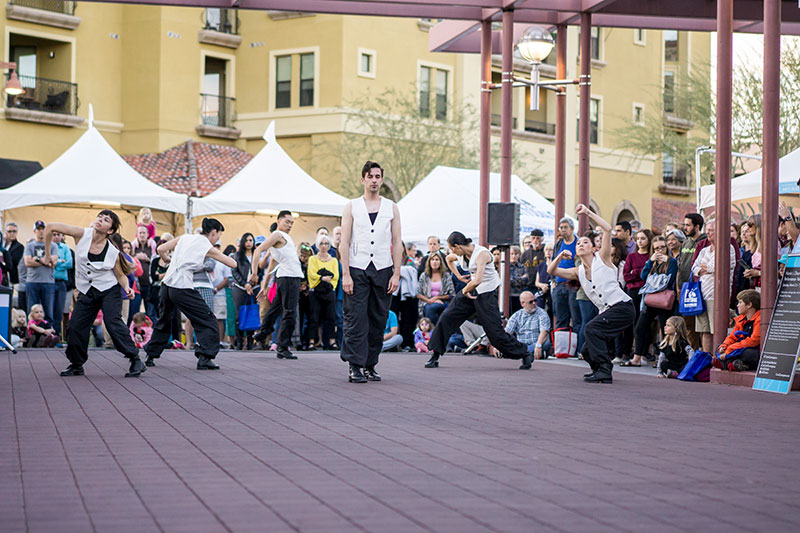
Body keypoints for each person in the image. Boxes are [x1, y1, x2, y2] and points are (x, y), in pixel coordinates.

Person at [44, 211, 147, 378]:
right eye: (100, 217)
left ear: (110, 230)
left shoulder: (112, 251)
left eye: (106, 220)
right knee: (75, 326)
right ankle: (77, 364)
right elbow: (50, 227)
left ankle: (135, 358)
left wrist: (127, 288)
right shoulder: (81, 234)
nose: (100, 220)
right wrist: (48, 255)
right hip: (86, 291)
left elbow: (120, 274)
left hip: (109, 290)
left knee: (112, 322)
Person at [547, 205, 636, 384]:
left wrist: (587, 213)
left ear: (593, 248)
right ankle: (599, 370)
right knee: (587, 350)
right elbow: (552, 270)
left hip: (622, 307)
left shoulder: (602, 258)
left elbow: (608, 229)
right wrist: (559, 256)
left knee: (590, 328)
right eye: (578, 243)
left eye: (585, 242)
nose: (580, 244)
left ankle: (605, 371)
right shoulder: (577, 271)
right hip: (608, 311)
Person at [426, 232, 531, 370]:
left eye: (452, 248)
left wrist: (463, 291)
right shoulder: (459, 253)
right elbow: (448, 260)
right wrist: (459, 277)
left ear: (458, 246)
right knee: (447, 317)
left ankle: (525, 353)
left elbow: (478, 280)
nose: (451, 252)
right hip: (471, 290)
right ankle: (435, 355)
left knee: (495, 334)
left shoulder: (482, 254)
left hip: (486, 293)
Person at [144, 218, 237, 370]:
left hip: (166, 285)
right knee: (207, 320)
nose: (218, 238)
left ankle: (151, 355)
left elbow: (161, 250)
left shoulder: (185, 237)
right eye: (219, 234)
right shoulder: (207, 246)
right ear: (213, 232)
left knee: (164, 320)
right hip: (182, 286)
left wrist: (167, 259)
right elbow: (233, 264)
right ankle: (205, 358)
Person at [339, 161, 402, 383]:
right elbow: (344, 242)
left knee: (378, 318)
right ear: (363, 179)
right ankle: (354, 365)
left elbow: (397, 241)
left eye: (377, 176)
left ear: (381, 179)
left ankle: (370, 364)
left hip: (383, 269)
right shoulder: (352, 206)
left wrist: (396, 273)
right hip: (357, 268)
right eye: (370, 176)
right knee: (356, 318)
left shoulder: (391, 207)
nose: (374, 180)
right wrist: (345, 273)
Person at [252, 211, 304, 360]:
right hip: (288, 278)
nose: (290, 225)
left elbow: (273, 262)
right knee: (290, 313)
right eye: (287, 222)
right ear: (279, 221)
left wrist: (265, 285)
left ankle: (262, 334)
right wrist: (254, 273)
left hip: (284, 277)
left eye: (292, 223)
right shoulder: (277, 235)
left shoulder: (284, 238)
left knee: (275, 309)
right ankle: (282, 346)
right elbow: (258, 250)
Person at [623, 236, 678, 367]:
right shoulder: (652, 261)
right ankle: (637, 357)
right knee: (640, 327)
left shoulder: (672, 262)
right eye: (656, 248)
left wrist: (669, 262)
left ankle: (665, 359)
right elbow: (643, 276)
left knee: (666, 329)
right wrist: (650, 261)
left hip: (664, 300)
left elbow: (670, 280)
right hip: (651, 299)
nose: (659, 250)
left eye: (662, 247)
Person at [691, 219, 736, 353]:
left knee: (716, 330)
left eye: (711, 230)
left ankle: (717, 358)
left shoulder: (728, 248)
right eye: (707, 230)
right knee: (704, 330)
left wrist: (708, 267)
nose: (707, 233)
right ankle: (706, 359)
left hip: (717, 294)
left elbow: (723, 266)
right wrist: (702, 269)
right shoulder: (704, 250)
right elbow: (694, 267)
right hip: (702, 294)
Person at [715, 289, 761, 372]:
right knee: (718, 347)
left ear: (749, 305)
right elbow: (732, 336)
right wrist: (724, 346)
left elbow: (753, 341)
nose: (737, 306)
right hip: (739, 348)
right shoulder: (740, 319)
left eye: (740, 302)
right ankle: (732, 365)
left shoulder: (760, 319)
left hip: (752, 350)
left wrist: (730, 350)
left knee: (749, 354)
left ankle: (725, 364)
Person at [307, 234, 340, 350]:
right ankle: (311, 341)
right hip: (315, 291)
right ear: (317, 245)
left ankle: (332, 341)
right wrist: (322, 278)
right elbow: (311, 274)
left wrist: (326, 280)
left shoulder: (334, 260)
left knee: (330, 317)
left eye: (326, 243)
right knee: (314, 317)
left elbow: (335, 275)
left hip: (329, 291)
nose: (324, 246)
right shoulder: (313, 259)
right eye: (321, 243)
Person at [24, 220, 58, 324]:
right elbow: (28, 262)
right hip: (32, 281)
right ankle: (31, 334)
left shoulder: (53, 246)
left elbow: (53, 262)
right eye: (38, 229)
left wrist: (37, 259)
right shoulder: (30, 245)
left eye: (43, 228)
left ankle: (49, 334)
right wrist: (45, 261)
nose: (41, 231)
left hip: (48, 282)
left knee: (48, 312)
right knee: (32, 310)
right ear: (34, 231)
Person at [230, 233, 260, 350]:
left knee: (252, 313)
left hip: (254, 288)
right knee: (239, 315)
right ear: (243, 242)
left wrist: (255, 282)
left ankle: (250, 342)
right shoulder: (237, 255)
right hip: (240, 288)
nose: (249, 243)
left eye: (251, 240)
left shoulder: (256, 255)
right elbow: (234, 272)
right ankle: (238, 342)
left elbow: (261, 270)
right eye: (246, 240)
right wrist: (245, 284)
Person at [551, 217, 581, 334]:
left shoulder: (578, 244)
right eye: (561, 228)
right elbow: (553, 261)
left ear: (572, 229)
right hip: (559, 284)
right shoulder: (558, 244)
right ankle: (561, 349)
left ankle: (576, 349)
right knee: (560, 318)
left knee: (576, 317)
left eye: (565, 228)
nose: (563, 230)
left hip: (572, 284)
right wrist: (553, 280)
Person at [504, 291, 552, 361]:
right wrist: (498, 345)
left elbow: (544, 332)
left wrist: (538, 345)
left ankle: (519, 354)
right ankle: (524, 354)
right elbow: (507, 332)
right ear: (522, 303)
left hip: (536, 344)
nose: (534, 303)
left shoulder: (542, 313)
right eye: (531, 302)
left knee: (546, 343)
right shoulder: (516, 315)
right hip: (521, 345)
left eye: (535, 300)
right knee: (510, 344)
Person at [416, 252, 454, 325]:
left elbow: (451, 294)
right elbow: (418, 293)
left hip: (443, 302)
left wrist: (437, 298)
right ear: (429, 262)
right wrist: (430, 300)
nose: (435, 262)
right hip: (426, 302)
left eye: (437, 260)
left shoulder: (446, 275)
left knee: (437, 309)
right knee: (430, 308)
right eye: (432, 260)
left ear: (440, 262)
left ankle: (437, 331)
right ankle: (433, 330)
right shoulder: (424, 275)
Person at [52, 230, 73, 341]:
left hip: (61, 283)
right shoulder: (47, 247)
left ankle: (57, 338)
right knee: (49, 310)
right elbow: (47, 262)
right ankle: (48, 336)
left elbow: (69, 263)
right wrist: (61, 261)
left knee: (59, 312)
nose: (56, 237)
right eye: (54, 235)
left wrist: (56, 264)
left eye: (58, 235)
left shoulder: (65, 248)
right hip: (50, 282)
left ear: (62, 236)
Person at [210, 241, 232, 348]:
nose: (216, 248)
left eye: (218, 246)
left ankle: (219, 341)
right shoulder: (205, 259)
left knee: (219, 318)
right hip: (207, 292)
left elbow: (227, 279)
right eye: (214, 246)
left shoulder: (223, 260)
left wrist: (216, 288)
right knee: (207, 318)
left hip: (219, 294)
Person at [133, 225, 155, 319]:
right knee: (134, 312)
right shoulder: (133, 246)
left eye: (144, 233)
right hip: (136, 285)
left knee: (150, 312)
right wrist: (136, 257)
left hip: (148, 283)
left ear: (148, 234)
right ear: (137, 234)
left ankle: (150, 332)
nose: (142, 235)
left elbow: (156, 261)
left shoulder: (152, 246)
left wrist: (148, 259)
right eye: (140, 233)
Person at [509, 245, 527, 314]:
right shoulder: (505, 267)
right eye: (512, 254)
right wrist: (520, 278)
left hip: (519, 295)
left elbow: (525, 280)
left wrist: (514, 279)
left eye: (516, 254)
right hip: (507, 295)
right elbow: (508, 281)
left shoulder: (522, 267)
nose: (514, 256)